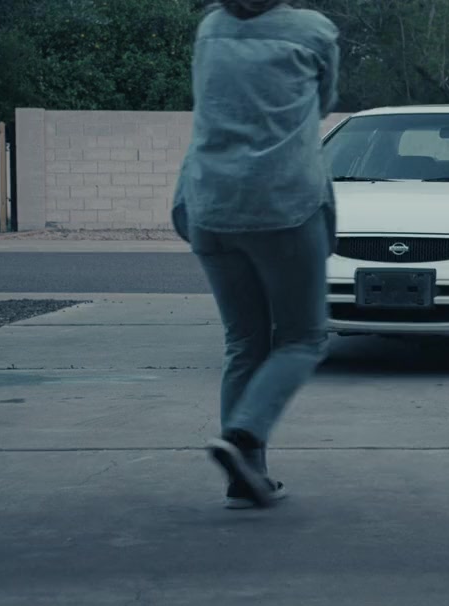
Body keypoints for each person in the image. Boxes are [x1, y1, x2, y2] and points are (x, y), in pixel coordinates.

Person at [171, 0, 340, 509]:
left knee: (245, 342)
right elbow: (324, 103)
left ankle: (246, 478)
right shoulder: (312, 30)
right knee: (303, 338)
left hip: (209, 205)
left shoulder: (211, 28)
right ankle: (244, 434)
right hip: (282, 205)